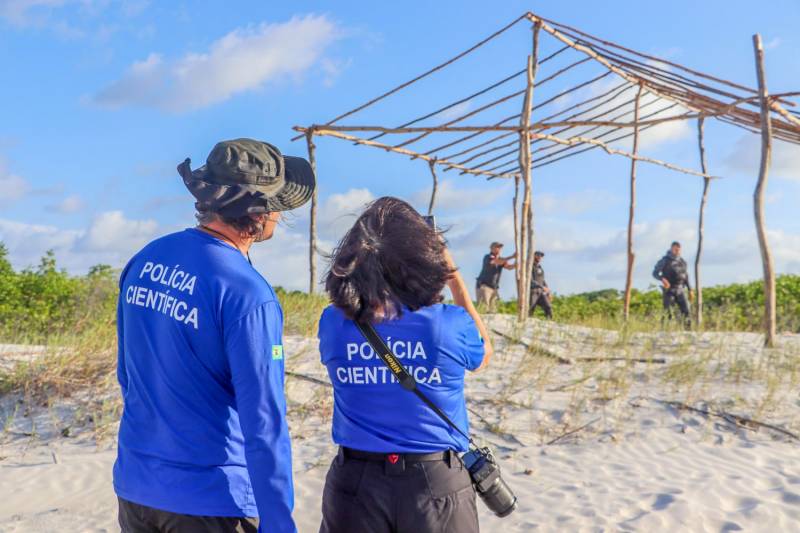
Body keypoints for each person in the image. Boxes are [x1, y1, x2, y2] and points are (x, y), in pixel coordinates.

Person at [114, 139, 315, 533]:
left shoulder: (146, 258)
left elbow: (128, 374)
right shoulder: (248, 293)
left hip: (136, 486)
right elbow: (264, 421)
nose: (278, 214)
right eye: (276, 203)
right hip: (211, 498)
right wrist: (278, 520)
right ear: (260, 212)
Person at [317, 197, 494, 533]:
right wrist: (452, 276)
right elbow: (484, 353)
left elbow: (356, 305)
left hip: (355, 481)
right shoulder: (447, 324)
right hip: (435, 481)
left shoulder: (333, 323)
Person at [652, 241, 693, 328]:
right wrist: (662, 279)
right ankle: (665, 330)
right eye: (675, 249)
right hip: (669, 290)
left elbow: (686, 276)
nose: (677, 251)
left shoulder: (682, 261)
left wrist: (690, 289)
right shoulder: (664, 260)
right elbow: (655, 273)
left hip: (680, 289)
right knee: (668, 312)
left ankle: (688, 331)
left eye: (678, 250)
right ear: (671, 249)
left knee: (686, 310)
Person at [475, 241, 515, 312]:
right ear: (491, 248)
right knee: (483, 309)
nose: (499, 249)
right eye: (497, 247)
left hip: (494, 288)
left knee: (493, 310)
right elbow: (496, 261)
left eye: (500, 247)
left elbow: (509, 267)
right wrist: (512, 256)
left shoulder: (501, 259)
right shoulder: (487, 257)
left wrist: (516, 264)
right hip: (484, 286)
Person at [529, 250, 553, 319]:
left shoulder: (540, 267)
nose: (540, 257)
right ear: (534, 256)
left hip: (541, 292)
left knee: (548, 306)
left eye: (541, 256)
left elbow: (543, 280)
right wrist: (542, 287)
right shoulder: (530, 266)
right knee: (530, 309)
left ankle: (549, 322)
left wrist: (548, 290)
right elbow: (530, 280)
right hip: (533, 292)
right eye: (538, 255)